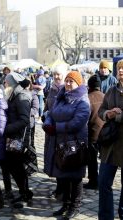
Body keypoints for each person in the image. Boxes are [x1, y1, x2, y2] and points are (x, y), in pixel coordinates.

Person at [43, 71, 90, 219]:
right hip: (59, 143)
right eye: (67, 81)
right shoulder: (61, 96)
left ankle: (74, 206)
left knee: (75, 177)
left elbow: (77, 123)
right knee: (62, 176)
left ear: (78, 83)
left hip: (75, 144)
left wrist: (56, 128)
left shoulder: (83, 101)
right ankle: (65, 203)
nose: (68, 84)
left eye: (72, 81)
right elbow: (51, 113)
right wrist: (48, 123)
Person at [98, 59, 123, 220]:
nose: (120, 71)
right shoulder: (111, 91)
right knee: (103, 183)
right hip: (110, 146)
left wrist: (119, 115)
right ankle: (105, 217)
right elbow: (101, 110)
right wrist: (107, 114)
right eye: (119, 68)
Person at [4, 72, 33, 208]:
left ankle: (25, 193)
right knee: (13, 167)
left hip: (18, 138)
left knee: (18, 167)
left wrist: (6, 128)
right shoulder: (13, 94)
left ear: (12, 84)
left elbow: (24, 120)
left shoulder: (21, 96)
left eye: (6, 83)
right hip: (13, 136)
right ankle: (24, 191)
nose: (5, 85)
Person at [43, 64, 68, 200]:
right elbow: (47, 105)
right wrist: (44, 114)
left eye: (59, 74)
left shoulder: (67, 89)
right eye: (54, 75)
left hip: (62, 130)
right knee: (53, 159)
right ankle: (59, 188)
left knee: (62, 159)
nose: (56, 77)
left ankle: (64, 190)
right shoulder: (52, 89)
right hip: (51, 130)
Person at [83, 75, 104, 190]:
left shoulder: (88, 98)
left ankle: (93, 181)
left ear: (90, 86)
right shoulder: (105, 96)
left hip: (93, 134)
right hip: (105, 134)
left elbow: (84, 118)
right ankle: (102, 180)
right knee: (104, 160)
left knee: (92, 160)